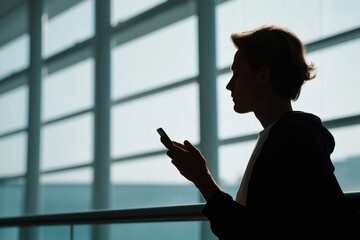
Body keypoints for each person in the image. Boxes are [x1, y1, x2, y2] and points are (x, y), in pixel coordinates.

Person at [159, 25, 357, 239]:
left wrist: (202, 179)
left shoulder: (291, 141)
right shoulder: (292, 137)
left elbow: (251, 231)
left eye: (236, 73)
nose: (229, 85)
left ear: (263, 75)